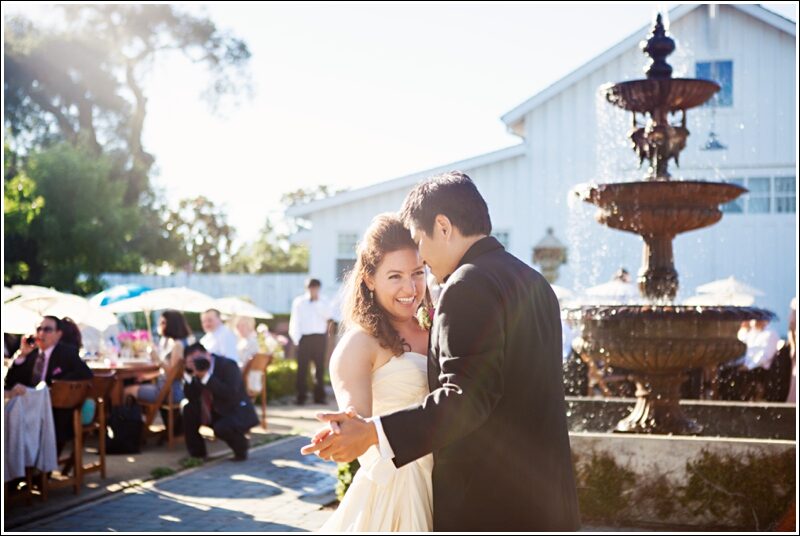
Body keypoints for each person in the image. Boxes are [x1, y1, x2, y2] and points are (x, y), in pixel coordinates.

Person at [303, 172, 580, 531]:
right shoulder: (535, 282)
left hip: (492, 505)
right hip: (548, 500)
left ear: (444, 226)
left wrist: (374, 433)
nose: (422, 257)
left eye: (419, 242)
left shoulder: (467, 285)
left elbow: (466, 398)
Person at [320, 213, 433, 531]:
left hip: (448, 481)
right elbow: (356, 416)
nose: (410, 287)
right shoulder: (359, 343)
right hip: (397, 491)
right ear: (369, 279)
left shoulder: (437, 329)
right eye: (394, 276)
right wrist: (342, 431)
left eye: (417, 273)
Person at [4, 315, 93, 453]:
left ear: (58, 334)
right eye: (39, 328)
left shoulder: (66, 352)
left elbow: (85, 374)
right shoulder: (30, 353)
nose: (41, 333)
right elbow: (9, 383)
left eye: (47, 329)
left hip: (53, 411)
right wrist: (21, 355)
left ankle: (36, 470)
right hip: (27, 409)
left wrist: (54, 386)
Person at [182, 342, 259, 461]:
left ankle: (241, 448)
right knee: (188, 409)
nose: (197, 362)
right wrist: (189, 376)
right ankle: (197, 455)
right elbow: (192, 398)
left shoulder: (228, 365)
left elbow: (230, 393)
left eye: (199, 358)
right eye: (192, 361)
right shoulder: (195, 371)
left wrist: (206, 377)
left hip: (235, 410)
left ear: (207, 354)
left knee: (221, 427)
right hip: (213, 410)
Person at [124, 310, 191, 405]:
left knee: (126, 390)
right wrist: (148, 375)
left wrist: (157, 360)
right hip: (166, 388)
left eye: (163, 323)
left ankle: (123, 418)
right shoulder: (176, 342)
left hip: (169, 392)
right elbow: (169, 371)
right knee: (136, 384)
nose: (160, 325)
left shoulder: (177, 345)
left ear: (172, 324)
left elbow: (174, 374)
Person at [288, 278, 331, 405]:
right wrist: (296, 339)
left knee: (319, 368)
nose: (313, 290)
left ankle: (319, 396)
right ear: (307, 288)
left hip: (319, 338)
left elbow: (328, 316)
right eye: (311, 288)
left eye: (315, 287)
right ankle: (301, 396)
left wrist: (317, 302)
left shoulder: (324, 301)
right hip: (304, 338)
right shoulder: (299, 302)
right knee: (302, 368)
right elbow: (295, 320)